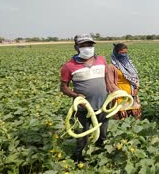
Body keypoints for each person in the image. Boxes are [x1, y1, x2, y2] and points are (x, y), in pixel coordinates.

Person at [60, 34, 108, 162]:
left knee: (102, 134)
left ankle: (100, 158)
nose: (87, 47)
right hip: (82, 109)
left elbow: (107, 79)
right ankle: (78, 160)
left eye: (90, 44)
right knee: (83, 137)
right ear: (76, 47)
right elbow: (63, 87)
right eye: (83, 45)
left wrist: (112, 94)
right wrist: (76, 95)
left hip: (103, 106)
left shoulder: (102, 60)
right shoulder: (68, 66)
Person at [106, 43, 141, 119]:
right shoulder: (111, 67)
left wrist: (136, 88)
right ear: (115, 53)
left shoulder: (129, 65)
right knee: (121, 118)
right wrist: (122, 93)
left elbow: (136, 78)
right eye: (121, 53)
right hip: (119, 96)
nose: (124, 55)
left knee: (135, 119)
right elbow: (110, 83)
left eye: (125, 53)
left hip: (131, 94)